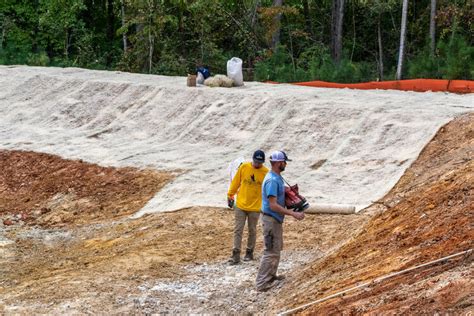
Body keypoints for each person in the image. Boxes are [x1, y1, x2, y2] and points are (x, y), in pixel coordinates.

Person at [256, 150, 305, 292]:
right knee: (270, 250)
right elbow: (273, 205)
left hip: (274, 219)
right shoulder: (272, 180)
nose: (285, 164)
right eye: (284, 162)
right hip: (271, 219)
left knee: (276, 248)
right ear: (278, 163)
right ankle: (262, 284)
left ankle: (271, 277)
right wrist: (293, 214)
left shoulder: (276, 177)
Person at [227, 150, 269, 265]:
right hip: (240, 204)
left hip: (255, 207)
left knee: (252, 230)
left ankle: (249, 252)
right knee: (238, 229)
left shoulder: (266, 172)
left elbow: (267, 190)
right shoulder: (244, 167)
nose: (257, 164)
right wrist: (230, 195)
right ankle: (235, 254)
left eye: (259, 162)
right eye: (255, 161)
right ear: (252, 159)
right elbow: (236, 182)